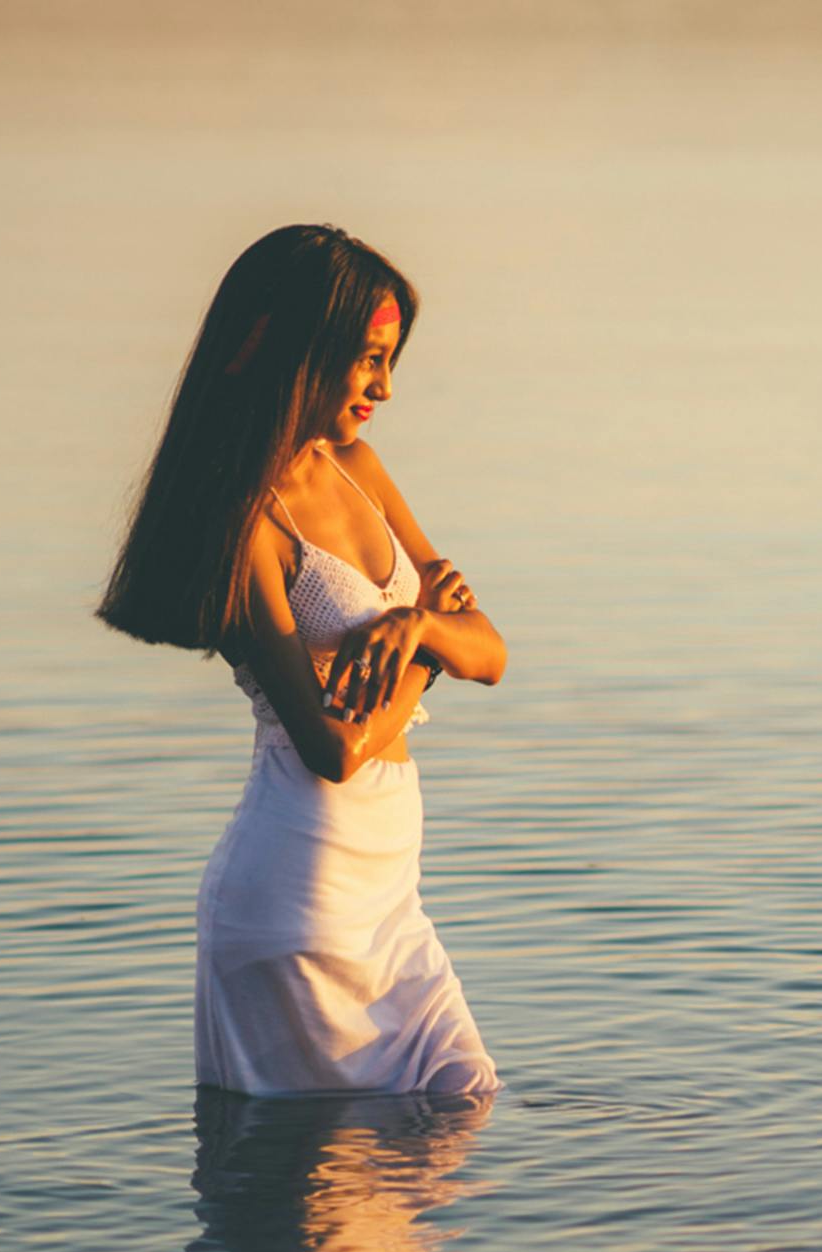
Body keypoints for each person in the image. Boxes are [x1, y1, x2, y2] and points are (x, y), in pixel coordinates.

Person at [99, 225, 508, 1098]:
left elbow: (493, 653)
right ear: (298, 350)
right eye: (367, 359)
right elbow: (333, 749)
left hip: (392, 895)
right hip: (299, 896)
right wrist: (425, 650)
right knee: (325, 1206)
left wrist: (424, 633)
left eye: (390, 361)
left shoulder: (361, 470)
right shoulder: (245, 524)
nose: (385, 388)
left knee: (457, 1108)